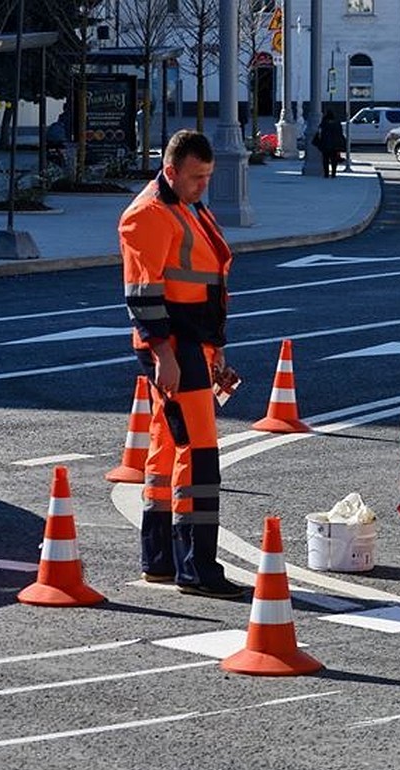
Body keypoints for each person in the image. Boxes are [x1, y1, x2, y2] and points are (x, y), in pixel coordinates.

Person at [118, 129, 243, 600]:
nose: (203, 185)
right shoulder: (147, 215)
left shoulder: (185, 206)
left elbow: (202, 285)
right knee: (200, 451)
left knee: (168, 447)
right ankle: (197, 567)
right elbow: (142, 294)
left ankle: (161, 561)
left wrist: (216, 349)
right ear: (170, 171)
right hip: (174, 344)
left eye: (208, 177)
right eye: (196, 177)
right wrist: (165, 356)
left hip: (191, 343)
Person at [314, 109, 346, 178]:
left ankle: (326, 173)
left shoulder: (324, 123)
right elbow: (340, 134)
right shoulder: (337, 123)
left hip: (325, 144)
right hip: (335, 145)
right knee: (334, 160)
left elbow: (319, 132)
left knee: (325, 159)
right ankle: (333, 173)